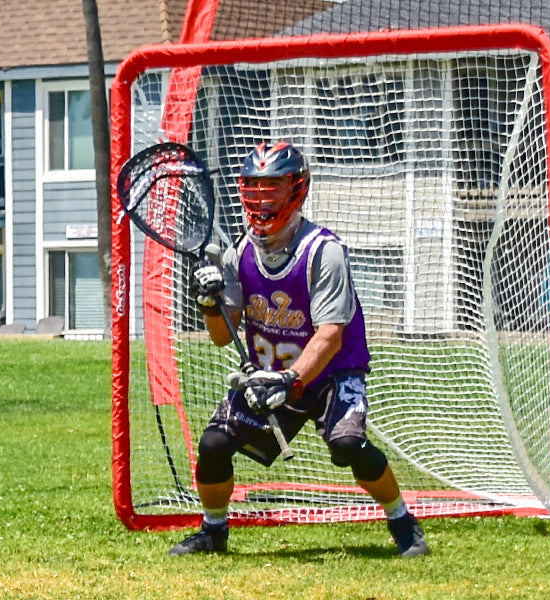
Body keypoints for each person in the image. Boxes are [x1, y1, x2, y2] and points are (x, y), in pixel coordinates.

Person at [167, 141, 429, 558]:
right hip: (270, 375)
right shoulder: (239, 254)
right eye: (253, 186)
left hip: (330, 375)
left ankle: (403, 522)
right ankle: (213, 532)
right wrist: (206, 303)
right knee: (214, 444)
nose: (260, 197)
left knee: (348, 446)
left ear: (296, 188)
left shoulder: (323, 252)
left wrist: (291, 380)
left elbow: (330, 335)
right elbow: (223, 333)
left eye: (271, 186)